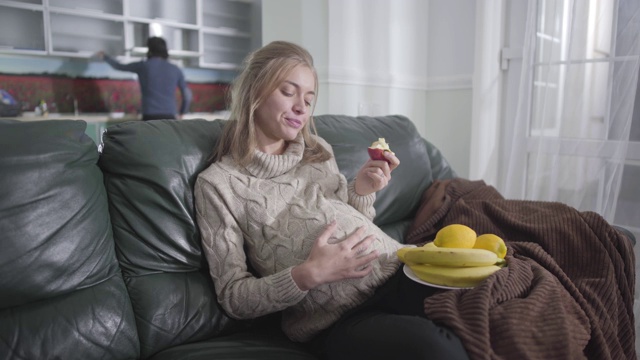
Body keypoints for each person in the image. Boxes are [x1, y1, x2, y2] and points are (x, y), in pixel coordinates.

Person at [194, 41, 469, 360]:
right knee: (438, 349)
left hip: (402, 268)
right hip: (342, 318)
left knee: (497, 295)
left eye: (309, 99)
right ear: (255, 91)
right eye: (288, 91)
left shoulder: (318, 151)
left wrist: (363, 191)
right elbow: (233, 296)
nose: (301, 107)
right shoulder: (217, 185)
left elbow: (352, 221)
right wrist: (308, 274)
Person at [96, 37, 191, 120]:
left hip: (150, 116)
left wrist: (105, 57)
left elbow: (119, 66)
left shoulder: (143, 66)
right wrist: (183, 112)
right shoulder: (175, 69)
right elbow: (187, 95)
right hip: (170, 117)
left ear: (150, 50)